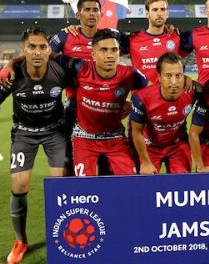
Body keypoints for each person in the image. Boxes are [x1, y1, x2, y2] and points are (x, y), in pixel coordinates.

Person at [0, 27, 69, 264]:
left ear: (49, 49)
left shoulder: (60, 69)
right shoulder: (12, 75)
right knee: (19, 184)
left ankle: (66, 236)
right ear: (24, 49)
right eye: (32, 47)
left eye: (42, 46)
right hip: (24, 134)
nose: (37, 52)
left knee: (62, 183)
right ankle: (21, 240)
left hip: (55, 132)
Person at [56, 29, 149, 176]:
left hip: (115, 139)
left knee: (130, 183)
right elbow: (49, 55)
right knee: (84, 189)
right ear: (93, 54)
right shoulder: (80, 68)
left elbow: (150, 91)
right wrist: (13, 64)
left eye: (114, 50)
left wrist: (133, 103)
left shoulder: (130, 74)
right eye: (104, 50)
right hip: (84, 138)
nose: (110, 55)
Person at [130, 52, 200, 174]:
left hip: (177, 146)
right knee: (148, 187)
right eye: (168, 75)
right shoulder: (143, 99)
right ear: (159, 76)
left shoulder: (194, 92)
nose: (174, 82)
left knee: (182, 185)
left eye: (178, 76)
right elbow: (136, 131)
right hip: (149, 147)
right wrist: (146, 162)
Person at [126, 0, 182, 84]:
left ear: (167, 13)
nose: (159, 13)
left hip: (169, 96)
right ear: (147, 13)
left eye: (163, 9)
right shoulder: (132, 39)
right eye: (155, 9)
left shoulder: (177, 36)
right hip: (142, 97)